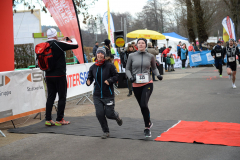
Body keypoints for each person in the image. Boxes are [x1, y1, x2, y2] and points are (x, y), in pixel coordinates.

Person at [125, 38, 163, 138]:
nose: (141, 44)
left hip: (147, 83)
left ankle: (147, 127)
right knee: (142, 107)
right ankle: (149, 121)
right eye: (139, 43)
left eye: (143, 43)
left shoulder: (150, 56)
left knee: (144, 104)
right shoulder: (131, 55)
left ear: (145, 45)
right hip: (136, 85)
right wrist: (130, 77)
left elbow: (154, 68)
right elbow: (127, 69)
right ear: (136, 45)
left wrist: (158, 75)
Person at [86, 47, 123, 139]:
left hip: (108, 94)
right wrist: (89, 81)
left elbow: (116, 76)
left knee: (109, 114)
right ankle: (105, 131)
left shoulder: (110, 66)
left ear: (104, 55)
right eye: (98, 53)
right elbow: (90, 77)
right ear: (96, 54)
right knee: (99, 114)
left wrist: (110, 80)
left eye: (102, 53)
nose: (100, 55)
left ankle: (117, 116)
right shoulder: (93, 67)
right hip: (97, 95)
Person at [44, 28, 78, 126]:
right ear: (55, 35)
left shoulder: (45, 45)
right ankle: (59, 119)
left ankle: (48, 119)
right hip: (60, 75)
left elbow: (54, 49)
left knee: (50, 97)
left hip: (48, 75)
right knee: (62, 97)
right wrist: (72, 38)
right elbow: (75, 45)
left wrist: (61, 41)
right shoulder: (58, 44)